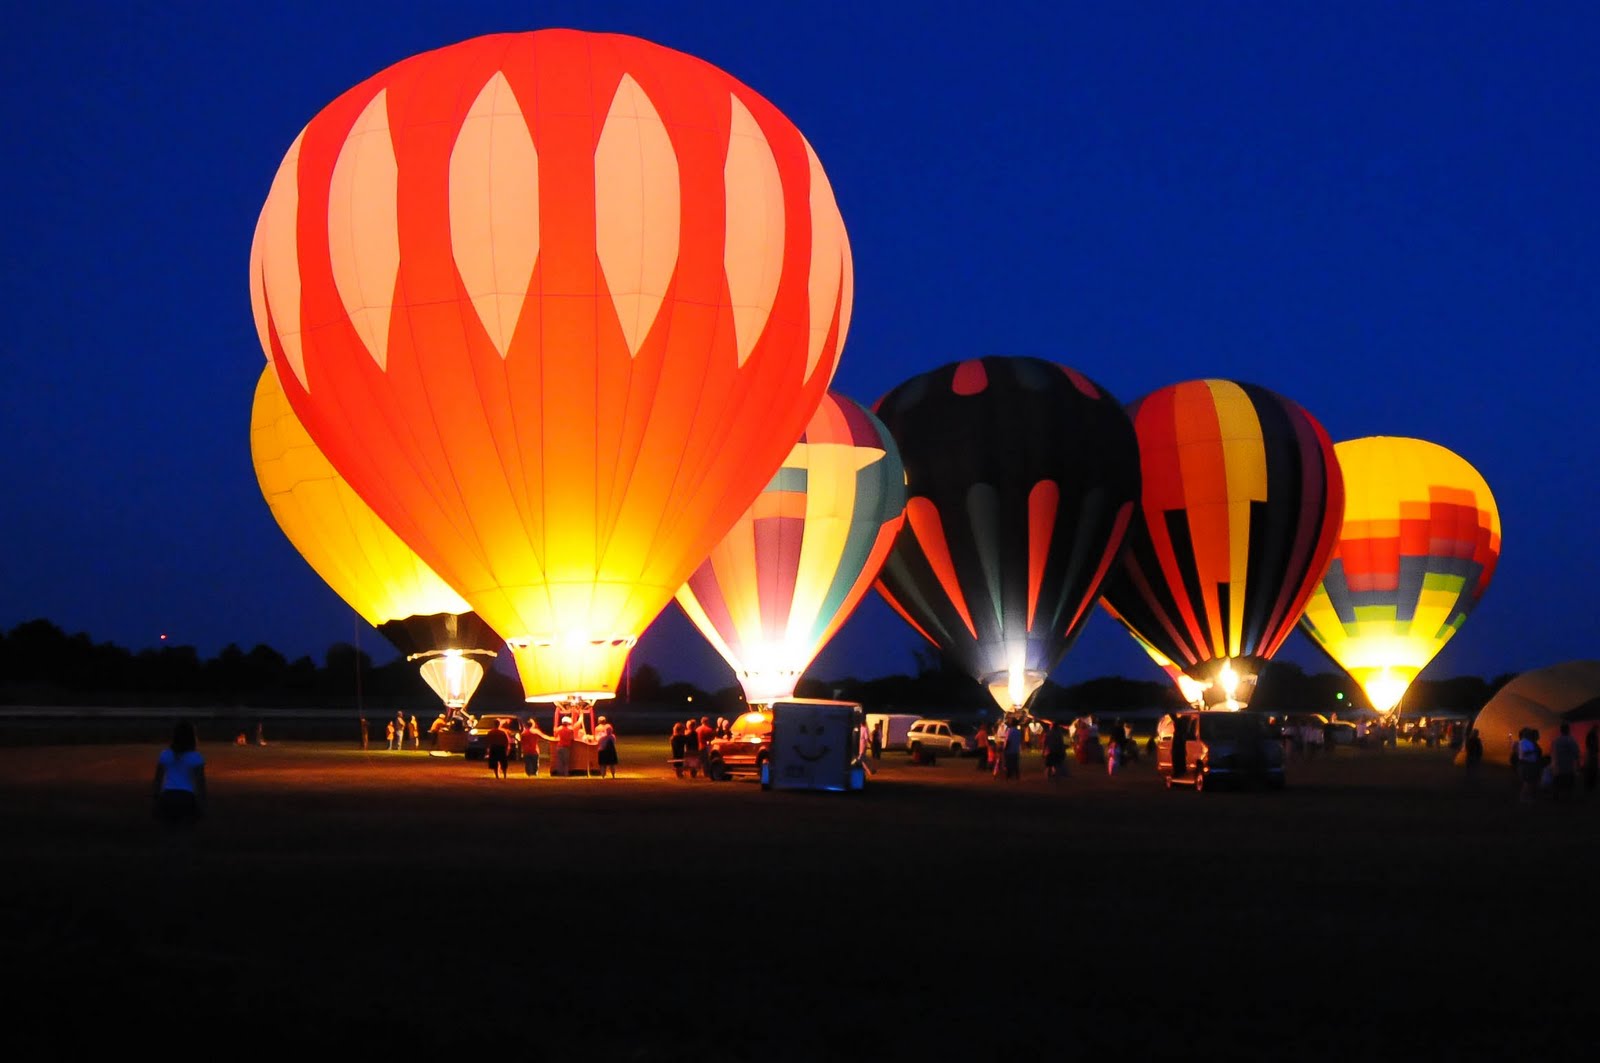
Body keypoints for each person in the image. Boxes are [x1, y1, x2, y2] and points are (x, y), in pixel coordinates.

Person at [153, 719, 206, 824]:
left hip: (168, 797)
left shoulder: (165, 754)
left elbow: (158, 781)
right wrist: (202, 805)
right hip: (187, 797)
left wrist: (156, 802)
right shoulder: (196, 757)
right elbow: (201, 783)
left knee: (168, 828)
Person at [1549, 722, 1581, 802]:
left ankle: (1556, 797)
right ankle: (1567, 798)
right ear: (1568, 730)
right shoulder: (1571, 740)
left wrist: (1552, 765)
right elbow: (1576, 753)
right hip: (1568, 766)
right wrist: (1578, 764)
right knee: (1569, 783)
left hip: (1557, 766)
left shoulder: (1555, 741)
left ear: (1561, 730)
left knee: (1557, 782)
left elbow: (1552, 752)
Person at [1517, 728, 1544, 802]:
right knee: (1528, 782)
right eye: (1537, 735)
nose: (1538, 736)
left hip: (1532, 765)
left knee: (1531, 782)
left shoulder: (1529, 743)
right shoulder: (1525, 742)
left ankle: (1527, 798)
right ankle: (1524, 798)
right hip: (1528, 765)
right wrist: (1533, 751)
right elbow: (1523, 754)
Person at [1585, 725, 1600, 795]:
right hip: (1592, 754)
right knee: (1593, 769)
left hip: (1591, 754)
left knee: (1591, 769)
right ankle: (1591, 785)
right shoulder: (1592, 735)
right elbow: (1591, 744)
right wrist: (1595, 749)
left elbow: (1588, 744)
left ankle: (1590, 785)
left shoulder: (1591, 734)